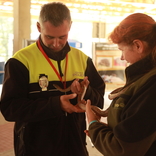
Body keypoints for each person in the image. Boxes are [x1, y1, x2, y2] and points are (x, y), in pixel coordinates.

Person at [0, 2, 105, 156]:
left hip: (75, 146)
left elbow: (99, 101)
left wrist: (86, 92)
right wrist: (56, 105)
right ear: (38, 27)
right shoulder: (21, 62)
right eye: (49, 37)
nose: (56, 44)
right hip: (35, 148)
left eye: (62, 37)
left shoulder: (82, 59)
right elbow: (10, 109)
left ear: (70, 27)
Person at [85, 13, 156, 156]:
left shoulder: (151, 85)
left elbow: (122, 148)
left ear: (138, 45)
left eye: (122, 50)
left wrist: (93, 125)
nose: (122, 57)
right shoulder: (145, 78)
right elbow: (137, 129)